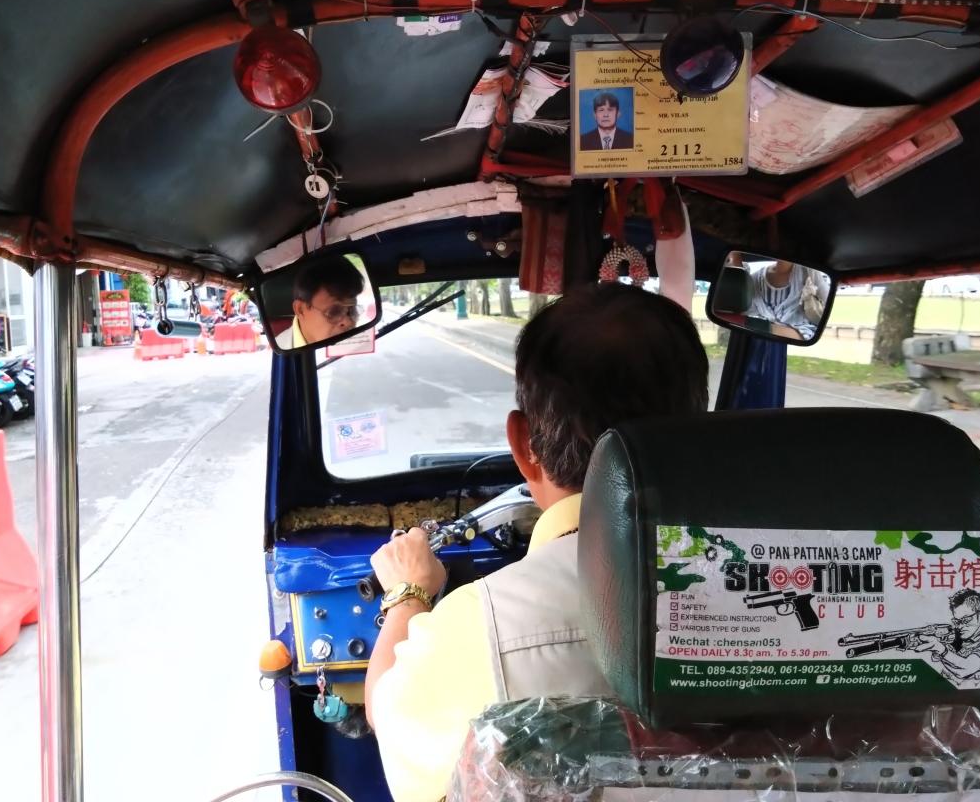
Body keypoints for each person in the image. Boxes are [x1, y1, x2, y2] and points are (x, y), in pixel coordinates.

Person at [363, 284, 709, 802]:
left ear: (524, 444)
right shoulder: (823, 598)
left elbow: (388, 716)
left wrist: (407, 594)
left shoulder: (481, 625)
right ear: (697, 433)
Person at [278, 255, 365, 348]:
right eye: (334, 312)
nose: (349, 322)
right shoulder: (277, 350)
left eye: (352, 310)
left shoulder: (357, 346)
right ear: (300, 310)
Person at [913, 587, 980, 684]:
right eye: (957, 621)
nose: (960, 626)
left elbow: (965, 669)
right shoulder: (962, 638)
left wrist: (942, 651)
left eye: (966, 620)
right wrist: (939, 652)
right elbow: (936, 661)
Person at [745, 259, 829, 341]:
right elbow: (745, 309)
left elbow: (827, 304)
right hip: (759, 339)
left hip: (787, 341)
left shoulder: (808, 272)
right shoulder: (755, 279)